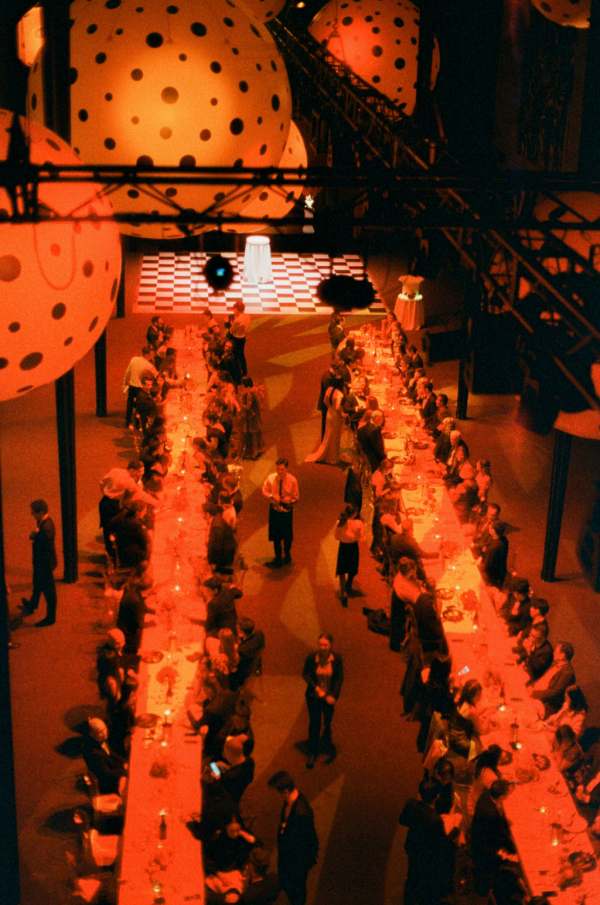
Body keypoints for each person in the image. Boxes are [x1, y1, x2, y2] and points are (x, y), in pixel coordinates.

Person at [398, 774, 455, 905]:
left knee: (412, 873)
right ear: (437, 796)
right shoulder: (435, 819)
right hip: (427, 854)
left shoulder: (411, 804)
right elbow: (442, 843)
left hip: (412, 846)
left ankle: (409, 899)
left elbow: (403, 820)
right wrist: (455, 829)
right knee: (426, 878)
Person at [267, 772, 318, 905]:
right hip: (288, 856)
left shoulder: (301, 814)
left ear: (285, 791)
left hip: (296, 862)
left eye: (276, 793)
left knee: (297, 889)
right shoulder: (291, 801)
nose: (275, 796)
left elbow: (307, 842)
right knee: (288, 883)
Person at [470, 778, 518, 898]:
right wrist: (514, 848)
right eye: (507, 793)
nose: (508, 795)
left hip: (478, 834)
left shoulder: (486, 794)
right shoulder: (491, 814)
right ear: (501, 796)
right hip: (485, 846)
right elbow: (499, 835)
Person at [302, 633, 344, 767]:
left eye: (325, 645)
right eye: (320, 644)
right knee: (314, 723)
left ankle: (326, 742)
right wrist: (316, 688)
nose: (322, 647)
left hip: (329, 697)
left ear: (331, 645)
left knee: (327, 721)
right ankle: (312, 753)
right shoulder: (312, 657)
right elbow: (305, 674)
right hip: (314, 697)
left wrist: (334, 695)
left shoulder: (336, 658)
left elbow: (339, 678)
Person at [21, 499, 58, 626]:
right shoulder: (44, 522)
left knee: (49, 591)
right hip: (41, 564)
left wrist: (35, 536)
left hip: (44, 565)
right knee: (37, 584)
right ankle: (32, 604)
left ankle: (50, 617)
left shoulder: (46, 530)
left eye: (33, 513)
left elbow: (44, 546)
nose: (32, 515)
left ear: (41, 512)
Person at [262, 458, 299, 566]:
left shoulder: (292, 480)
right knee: (275, 536)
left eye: (282, 469)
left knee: (287, 536)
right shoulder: (271, 478)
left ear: (287, 469)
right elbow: (264, 490)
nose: (280, 472)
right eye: (278, 469)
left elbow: (296, 497)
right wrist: (272, 495)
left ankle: (287, 554)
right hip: (275, 510)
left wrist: (289, 500)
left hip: (287, 511)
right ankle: (278, 556)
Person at [305, 376, 345, 466]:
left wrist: (330, 408)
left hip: (329, 413)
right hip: (335, 417)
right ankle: (332, 458)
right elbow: (338, 407)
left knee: (328, 435)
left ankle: (326, 454)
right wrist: (341, 415)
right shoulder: (339, 394)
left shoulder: (329, 389)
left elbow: (325, 401)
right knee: (335, 437)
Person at [529, 641, 576, 717]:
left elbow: (555, 693)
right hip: (535, 693)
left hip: (544, 703)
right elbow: (543, 679)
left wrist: (533, 693)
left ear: (562, 655)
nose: (553, 653)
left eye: (556, 651)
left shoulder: (567, 673)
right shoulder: (556, 664)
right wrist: (531, 686)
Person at [83, 718, 127, 796]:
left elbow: (110, 753)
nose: (105, 733)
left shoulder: (100, 739)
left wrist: (124, 761)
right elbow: (106, 773)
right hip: (109, 784)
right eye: (100, 732)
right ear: (93, 734)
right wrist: (124, 772)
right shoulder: (93, 753)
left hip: (114, 769)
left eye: (105, 729)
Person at [334, 504, 365, 606]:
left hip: (343, 547)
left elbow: (336, 537)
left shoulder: (339, 522)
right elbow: (362, 538)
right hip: (353, 547)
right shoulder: (359, 523)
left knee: (342, 569)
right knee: (352, 568)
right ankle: (349, 584)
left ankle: (343, 591)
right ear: (355, 513)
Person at [122, 345, 157, 429]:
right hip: (140, 388)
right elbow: (156, 374)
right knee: (139, 407)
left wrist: (125, 383)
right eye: (151, 354)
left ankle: (127, 422)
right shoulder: (148, 365)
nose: (152, 356)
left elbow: (128, 372)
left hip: (132, 386)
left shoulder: (134, 359)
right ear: (147, 355)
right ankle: (137, 424)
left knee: (129, 405)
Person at [239, 377, 264, 460]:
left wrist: (242, 403)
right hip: (256, 415)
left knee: (252, 435)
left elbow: (248, 407)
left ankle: (253, 453)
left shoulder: (249, 393)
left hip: (251, 417)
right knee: (255, 435)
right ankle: (255, 452)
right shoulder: (255, 390)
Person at [227, 300, 251, 376]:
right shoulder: (248, 316)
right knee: (241, 355)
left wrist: (231, 323)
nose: (233, 311)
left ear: (237, 309)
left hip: (236, 339)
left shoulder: (238, 320)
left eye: (234, 309)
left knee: (235, 356)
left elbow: (231, 331)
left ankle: (235, 372)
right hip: (243, 338)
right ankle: (244, 371)